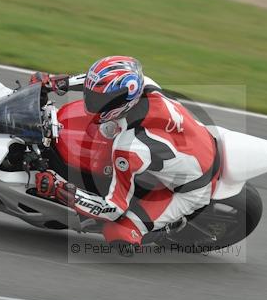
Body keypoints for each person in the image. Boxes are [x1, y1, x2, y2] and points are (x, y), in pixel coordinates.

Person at [30, 56, 219, 256]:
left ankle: (168, 226)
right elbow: (98, 83)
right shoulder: (142, 83)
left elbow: (114, 209)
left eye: (98, 100)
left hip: (194, 186)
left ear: (121, 102)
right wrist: (57, 82)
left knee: (117, 233)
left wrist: (59, 189)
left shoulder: (129, 148)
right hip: (196, 140)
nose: (91, 101)